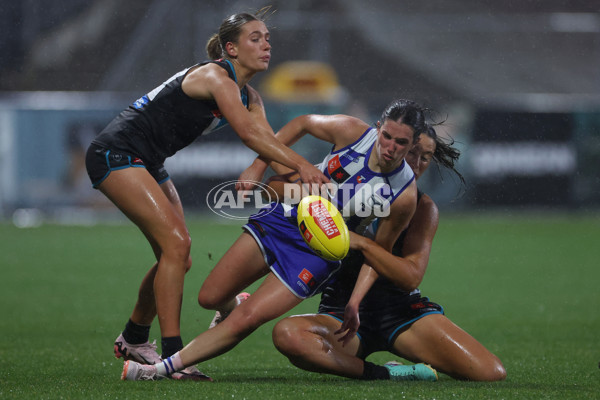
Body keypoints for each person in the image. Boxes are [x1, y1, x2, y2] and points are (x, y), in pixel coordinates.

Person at [85, 8, 328, 380]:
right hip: (116, 153)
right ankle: (174, 358)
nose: (267, 45)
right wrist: (304, 165)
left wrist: (317, 185)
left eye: (267, 38)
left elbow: (268, 150)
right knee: (177, 246)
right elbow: (250, 136)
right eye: (256, 38)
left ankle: (134, 337)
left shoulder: (251, 97)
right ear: (230, 48)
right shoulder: (215, 76)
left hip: (148, 161)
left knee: (177, 256)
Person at [121, 99, 439, 382]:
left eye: (402, 143)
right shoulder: (353, 133)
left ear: (411, 145)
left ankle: (160, 370)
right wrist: (257, 166)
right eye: (387, 136)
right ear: (378, 127)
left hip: (317, 255)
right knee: (210, 297)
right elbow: (301, 123)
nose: (391, 147)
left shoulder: (403, 195)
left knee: (248, 320)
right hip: (284, 219)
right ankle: (234, 304)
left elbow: (378, 252)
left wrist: (354, 300)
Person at [271, 126, 507, 381]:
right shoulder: (344, 187)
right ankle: (390, 374)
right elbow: (273, 185)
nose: (416, 163)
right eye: (412, 152)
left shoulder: (423, 207)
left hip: (401, 313)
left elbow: (411, 277)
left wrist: (363, 244)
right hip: (340, 313)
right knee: (288, 335)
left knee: (490, 373)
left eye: (425, 157)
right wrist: (298, 193)